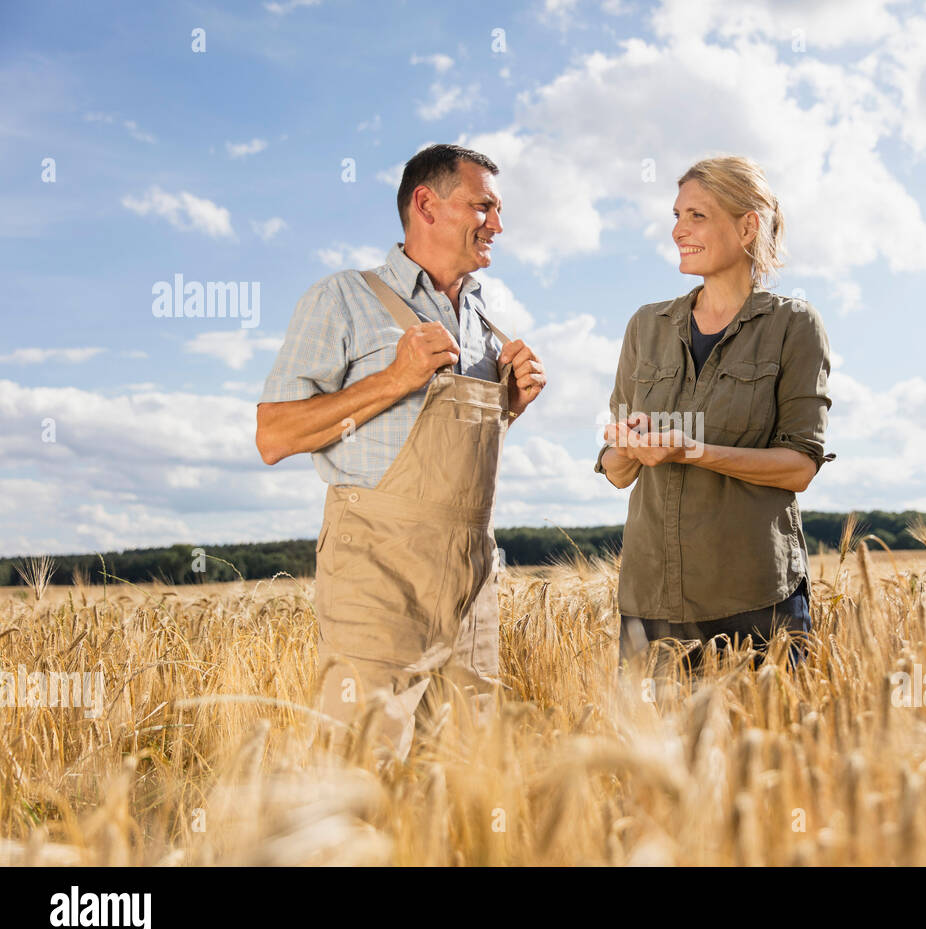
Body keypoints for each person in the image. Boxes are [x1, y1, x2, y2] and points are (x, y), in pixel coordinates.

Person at [255, 144, 546, 760]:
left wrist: (510, 405)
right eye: (484, 206)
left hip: (472, 578)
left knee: (468, 773)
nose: (498, 224)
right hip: (377, 571)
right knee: (360, 767)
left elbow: (449, 451)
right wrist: (394, 376)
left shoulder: (482, 318)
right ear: (426, 204)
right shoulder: (342, 298)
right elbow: (275, 436)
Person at [596, 156, 834, 669]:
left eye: (697, 216)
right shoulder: (646, 326)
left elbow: (799, 467)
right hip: (651, 602)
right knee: (652, 751)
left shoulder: (794, 326)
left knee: (764, 747)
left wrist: (693, 451)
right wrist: (628, 448)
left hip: (753, 602)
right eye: (676, 215)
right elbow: (616, 472)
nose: (678, 230)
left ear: (747, 225)